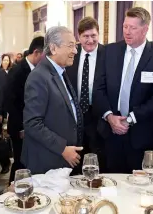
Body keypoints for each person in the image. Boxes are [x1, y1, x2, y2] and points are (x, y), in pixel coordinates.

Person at [93, 7, 153, 173]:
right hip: (110, 133)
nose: (127, 32)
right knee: (110, 184)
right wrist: (109, 117)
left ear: (145, 29)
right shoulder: (109, 51)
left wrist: (129, 119)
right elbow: (99, 88)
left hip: (142, 135)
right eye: (125, 26)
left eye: (133, 28)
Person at [21, 26, 83, 174]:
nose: (75, 51)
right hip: (46, 162)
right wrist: (62, 148)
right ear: (53, 48)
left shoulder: (60, 72)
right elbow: (32, 123)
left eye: (75, 46)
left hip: (60, 161)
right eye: (70, 46)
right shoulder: (39, 77)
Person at [66, 17, 106, 173]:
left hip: (100, 115)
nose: (90, 40)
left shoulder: (107, 54)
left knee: (98, 158)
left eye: (93, 35)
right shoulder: (71, 54)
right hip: (75, 116)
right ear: (79, 37)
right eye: (86, 36)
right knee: (77, 157)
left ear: (98, 34)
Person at [7, 36, 44, 183]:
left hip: (32, 126)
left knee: (30, 161)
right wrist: (22, 127)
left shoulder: (38, 70)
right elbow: (10, 103)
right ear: (36, 52)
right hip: (20, 127)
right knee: (20, 162)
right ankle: (12, 190)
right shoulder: (17, 71)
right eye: (45, 55)